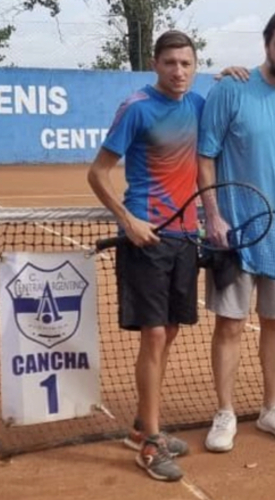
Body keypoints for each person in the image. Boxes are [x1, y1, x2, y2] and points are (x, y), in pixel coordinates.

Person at [197, 7, 275, 453]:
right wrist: (213, 214)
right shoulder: (231, 89)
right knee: (230, 325)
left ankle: (273, 408)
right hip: (233, 234)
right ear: (266, 44)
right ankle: (226, 412)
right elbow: (206, 155)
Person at [87, 30, 204, 481]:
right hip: (146, 238)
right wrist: (127, 221)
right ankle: (151, 442)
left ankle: (141, 425)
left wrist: (239, 75)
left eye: (187, 64)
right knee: (154, 336)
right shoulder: (136, 108)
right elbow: (97, 174)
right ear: (155, 63)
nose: (179, 71)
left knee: (169, 330)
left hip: (185, 238)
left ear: (196, 67)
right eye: (171, 62)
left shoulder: (197, 105)